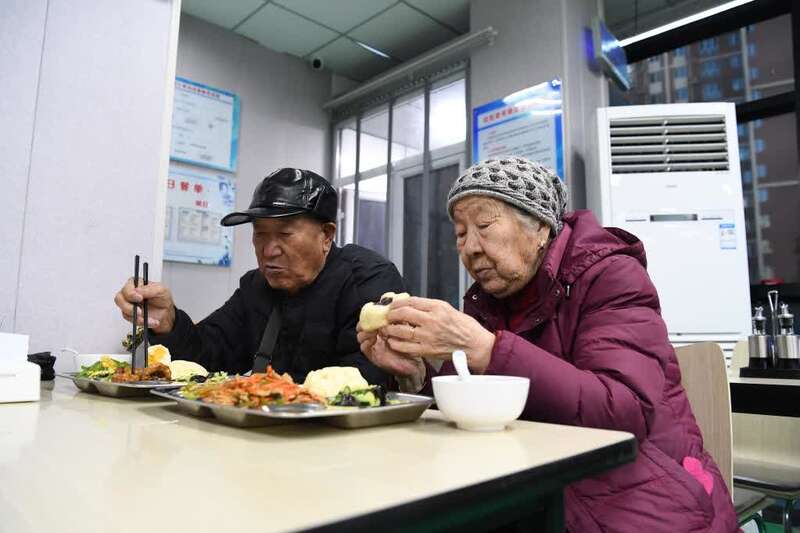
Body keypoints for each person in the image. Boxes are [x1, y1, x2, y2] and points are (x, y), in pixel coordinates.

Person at [358, 157, 737, 531]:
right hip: (534, 489)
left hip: (640, 495)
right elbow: (470, 418)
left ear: (540, 226)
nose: (469, 247)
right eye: (460, 233)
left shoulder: (611, 276)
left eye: (484, 226)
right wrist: (414, 377)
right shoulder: (487, 302)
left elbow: (624, 409)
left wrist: (487, 350)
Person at [115, 168, 403, 385]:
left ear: (326, 235)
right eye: (260, 234)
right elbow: (206, 354)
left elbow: (371, 379)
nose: (268, 250)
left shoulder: (368, 280)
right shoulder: (256, 287)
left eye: (285, 234)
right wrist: (168, 322)